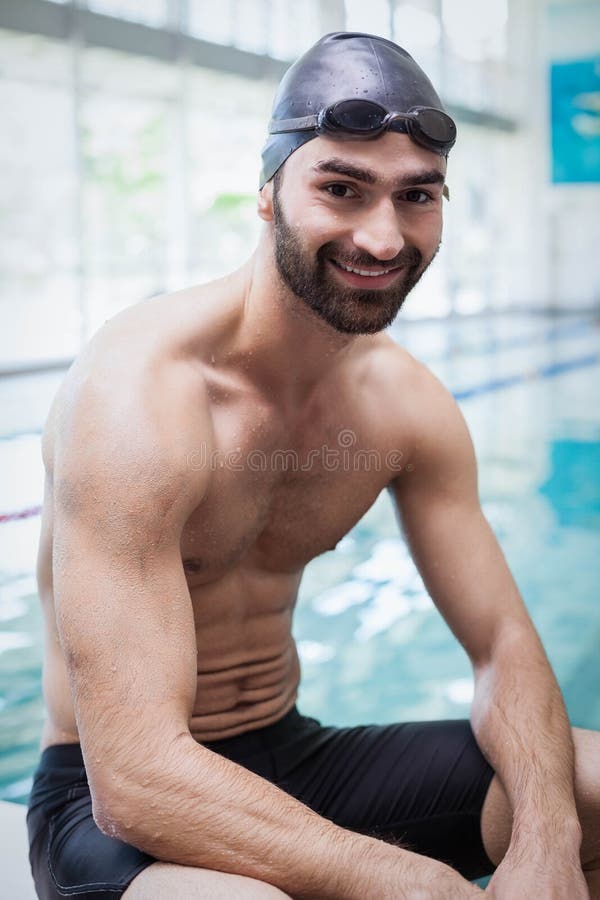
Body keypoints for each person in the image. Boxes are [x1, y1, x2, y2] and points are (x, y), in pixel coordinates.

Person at [27, 31, 598, 900]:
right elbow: (134, 779)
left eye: (417, 196)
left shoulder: (406, 403)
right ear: (267, 195)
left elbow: (503, 645)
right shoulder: (139, 396)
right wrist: (422, 884)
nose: (382, 236)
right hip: (111, 809)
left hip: (294, 752)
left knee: (585, 789)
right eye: (341, 188)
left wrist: (548, 845)